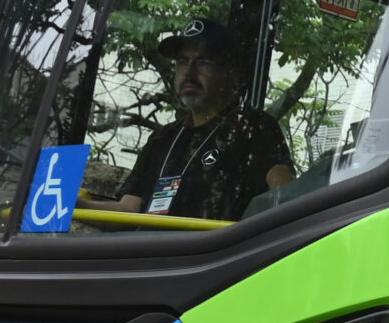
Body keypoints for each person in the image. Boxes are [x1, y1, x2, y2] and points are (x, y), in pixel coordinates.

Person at [95, 18, 295, 222]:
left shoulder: (254, 128)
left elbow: (283, 197)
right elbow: (128, 210)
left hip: (222, 252)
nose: (189, 72)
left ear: (231, 73)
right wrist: (76, 206)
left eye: (203, 62)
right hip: (152, 251)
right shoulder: (163, 138)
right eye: (182, 61)